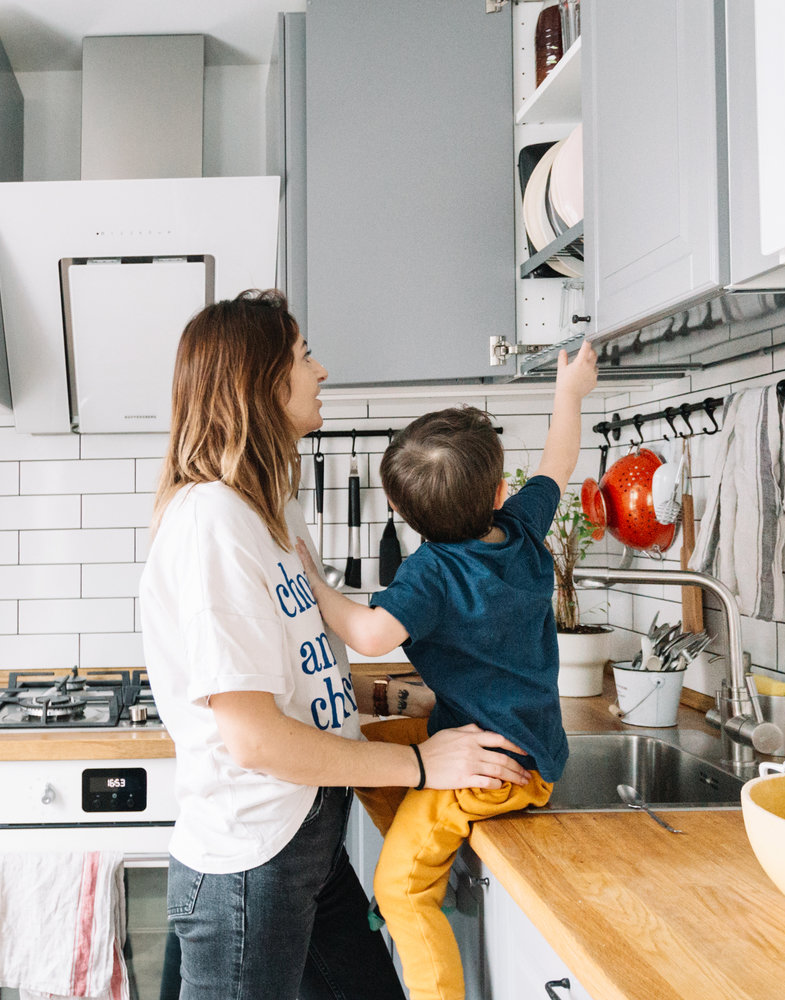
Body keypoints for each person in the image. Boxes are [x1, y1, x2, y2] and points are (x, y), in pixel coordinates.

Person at [139, 289, 532, 1000]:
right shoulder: (211, 524)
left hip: (307, 841)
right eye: (303, 356)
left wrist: (394, 697)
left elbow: (293, 672)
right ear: (261, 383)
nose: (320, 371)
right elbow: (256, 738)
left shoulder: (271, 509)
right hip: (251, 867)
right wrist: (419, 764)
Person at [294, 342, 599, 1000]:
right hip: (519, 743)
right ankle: (419, 838)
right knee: (362, 750)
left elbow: (370, 633)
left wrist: (315, 584)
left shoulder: (432, 572)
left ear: (399, 511)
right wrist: (568, 391)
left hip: (494, 766)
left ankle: (414, 878)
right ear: (499, 492)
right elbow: (559, 459)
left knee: (398, 893)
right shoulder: (521, 528)